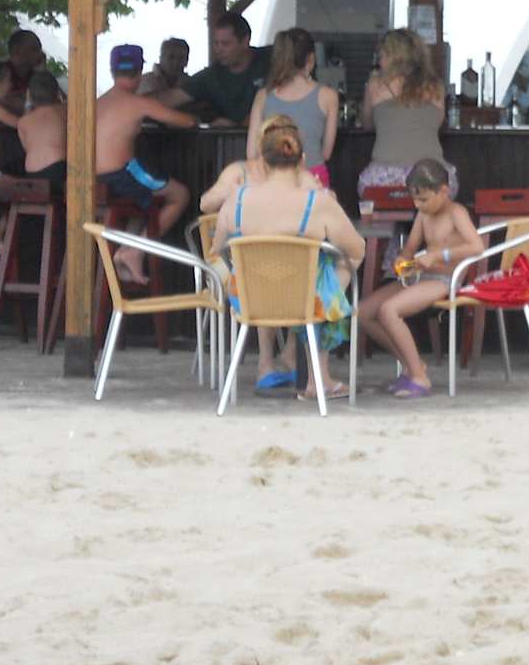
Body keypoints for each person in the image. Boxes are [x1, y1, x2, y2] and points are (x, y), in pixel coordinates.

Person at [200, 115, 366, 402]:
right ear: (302, 160)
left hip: (249, 301)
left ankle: (300, 367)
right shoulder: (318, 202)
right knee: (331, 272)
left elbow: (218, 249)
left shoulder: (237, 198)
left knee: (318, 276)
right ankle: (319, 378)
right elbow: (357, 249)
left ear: (263, 162)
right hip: (306, 301)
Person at [356, 157, 481, 399]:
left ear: (443, 191)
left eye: (423, 199)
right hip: (421, 276)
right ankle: (412, 364)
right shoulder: (423, 215)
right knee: (362, 313)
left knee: (389, 311)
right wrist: (402, 260)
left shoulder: (456, 213)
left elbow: (476, 247)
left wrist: (439, 255)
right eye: (415, 199)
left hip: (445, 279)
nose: (418, 204)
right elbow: (411, 247)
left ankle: (419, 378)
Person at [97, 42, 197, 285]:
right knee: (179, 195)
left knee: (145, 202)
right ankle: (135, 251)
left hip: (96, 179)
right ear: (140, 71)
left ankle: (125, 251)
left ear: (112, 70)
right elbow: (186, 122)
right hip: (123, 174)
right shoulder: (139, 103)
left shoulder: (98, 102)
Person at [358, 27, 453, 205]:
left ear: (393, 57)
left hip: (385, 178)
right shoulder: (436, 87)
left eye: (382, 56)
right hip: (431, 176)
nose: (380, 61)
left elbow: (367, 123)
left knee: (370, 193)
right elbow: (438, 123)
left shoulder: (375, 85)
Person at [0, 71, 67, 256]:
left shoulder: (24, 122)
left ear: (30, 95)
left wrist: (28, 104)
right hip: (57, 174)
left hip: (33, 176)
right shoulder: (65, 112)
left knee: (25, 194)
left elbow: (27, 147)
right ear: (56, 92)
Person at [252, 26, 338, 187]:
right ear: (311, 59)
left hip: (271, 178)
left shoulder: (263, 95)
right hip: (313, 177)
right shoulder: (328, 96)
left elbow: (252, 152)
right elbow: (326, 153)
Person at [163, 12, 268, 127]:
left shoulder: (271, 59)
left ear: (245, 41)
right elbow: (174, 96)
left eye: (225, 44)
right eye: (216, 43)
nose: (219, 49)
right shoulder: (211, 76)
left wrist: (239, 126)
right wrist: (146, 104)